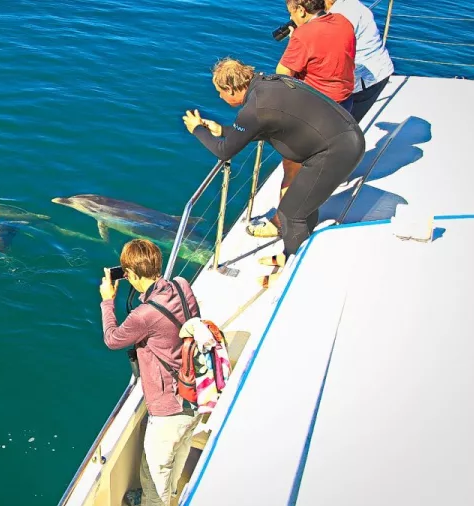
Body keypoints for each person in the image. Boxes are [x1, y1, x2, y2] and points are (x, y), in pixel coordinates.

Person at [183, 58, 364, 286]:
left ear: (231, 88)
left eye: (220, 92)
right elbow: (266, 125)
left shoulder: (254, 110)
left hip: (335, 151)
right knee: (304, 206)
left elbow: (224, 151)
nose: (219, 97)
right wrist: (223, 130)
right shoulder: (269, 85)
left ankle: (293, 275)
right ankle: (293, 255)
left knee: (291, 212)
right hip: (344, 137)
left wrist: (198, 130)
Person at [99, 239, 202, 506]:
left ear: (131, 275)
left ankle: (153, 501)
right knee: (178, 453)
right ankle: (171, 496)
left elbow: (112, 339)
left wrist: (108, 301)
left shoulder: (144, 315)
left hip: (169, 406)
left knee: (154, 472)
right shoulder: (181, 285)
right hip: (194, 391)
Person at [249, 0, 357, 238]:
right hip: (344, 104)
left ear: (300, 9)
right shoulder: (344, 22)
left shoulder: (304, 35)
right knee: (320, 161)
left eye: (291, 12)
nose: (291, 17)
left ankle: (280, 223)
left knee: (292, 166)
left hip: (317, 112)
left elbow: (283, 75)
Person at [325, 0, 395, 123]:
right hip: (379, 68)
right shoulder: (352, 4)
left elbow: (329, 53)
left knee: (344, 127)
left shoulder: (339, 16)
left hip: (366, 79)